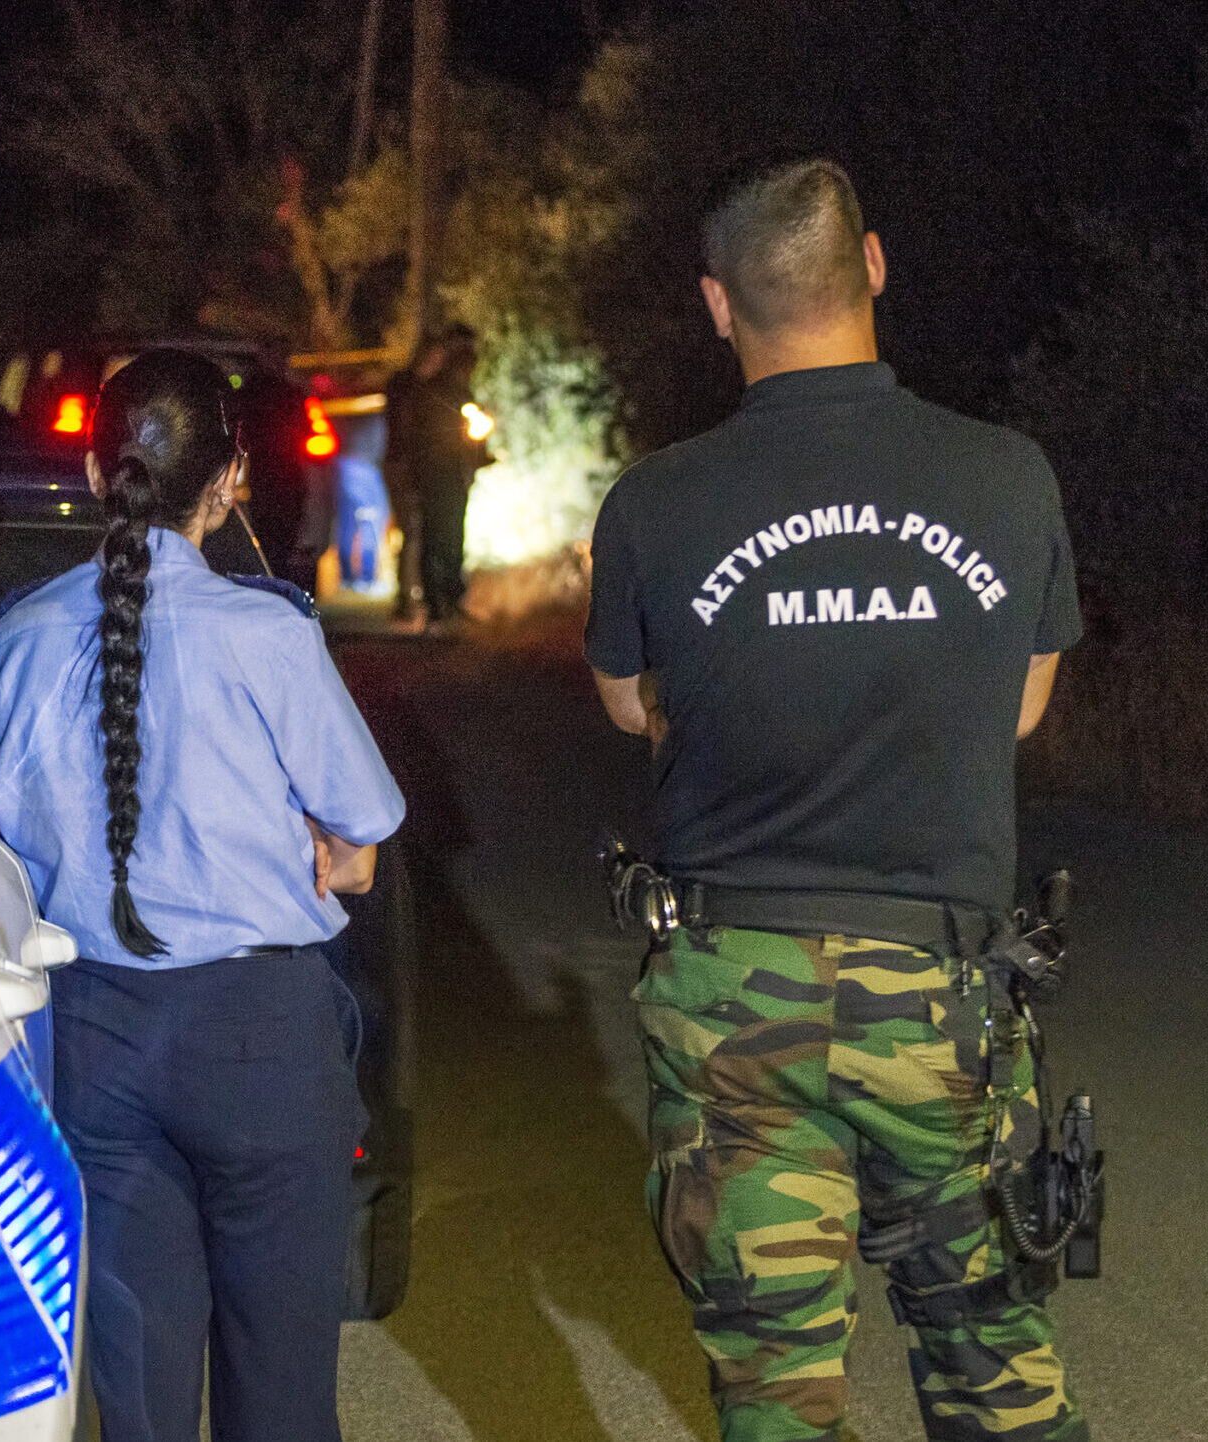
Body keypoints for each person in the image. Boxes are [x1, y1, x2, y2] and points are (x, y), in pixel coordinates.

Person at [585, 155, 1088, 1441]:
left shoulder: (655, 500)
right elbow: (1018, 708)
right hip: (941, 992)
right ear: (870, 264)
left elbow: (630, 705)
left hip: (733, 999)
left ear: (717, 303)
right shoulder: (1006, 474)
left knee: (774, 1385)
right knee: (994, 1366)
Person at [0, 349, 405, 1442]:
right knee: (282, 1391)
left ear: (92, 469)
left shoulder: (22, 634)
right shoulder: (268, 633)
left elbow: (11, 840)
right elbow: (360, 837)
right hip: (259, 1037)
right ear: (229, 480)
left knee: (138, 1392)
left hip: (91, 1034)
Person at [382, 324, 488, 630]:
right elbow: (406, 432)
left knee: (449, 535)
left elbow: (469, 426)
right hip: (426, 472)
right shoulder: (414, 388)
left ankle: (447, 601)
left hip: (448, 471)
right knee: (425, 536)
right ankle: (427, 604)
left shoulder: (450, 389)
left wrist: (475, 456)